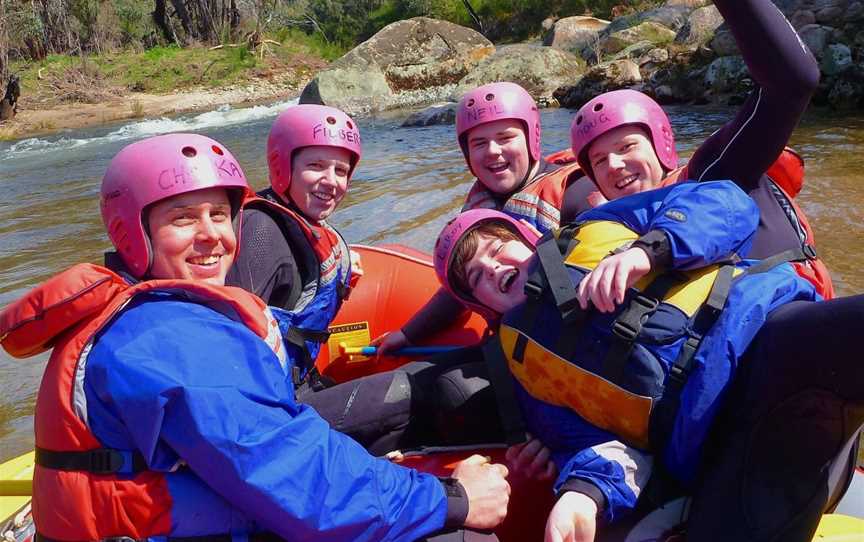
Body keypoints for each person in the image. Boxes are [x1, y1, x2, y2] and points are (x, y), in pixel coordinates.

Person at [0, 133, 511, 541]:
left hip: (175, 511)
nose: (211, 236)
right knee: (464, 535)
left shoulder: (141, 310)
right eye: (182, 219)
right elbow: (303, 483)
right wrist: (450, 498)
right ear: (133, 230)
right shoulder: (168, 338)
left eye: (219, 215)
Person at [432, 180, 864, 542]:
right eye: (476, 278)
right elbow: (588, 446)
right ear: (483, 304)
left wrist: (649, 251)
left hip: (769, 338)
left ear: (528, 242)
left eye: (497, 248)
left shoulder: (601, 225)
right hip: (721, 447)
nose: (491, 268)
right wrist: (584, 493)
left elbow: (728, 202)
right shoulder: (527, 376)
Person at [568, 0, 834, 299]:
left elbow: (791, 82)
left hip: (800, 324)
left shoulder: (717, 171)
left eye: (627, 146)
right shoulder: (607, 229)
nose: (614, 165)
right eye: (600, 161)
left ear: (661, 146)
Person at [377, 81, 597, 354]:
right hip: (516, 342)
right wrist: (409, 334)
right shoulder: (480, 204)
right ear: (467, 154)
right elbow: (462, 285)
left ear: (532, 138)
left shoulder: (576, 192)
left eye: (505, 138)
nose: (493, 150)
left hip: (574, 345)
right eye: (479, 143)